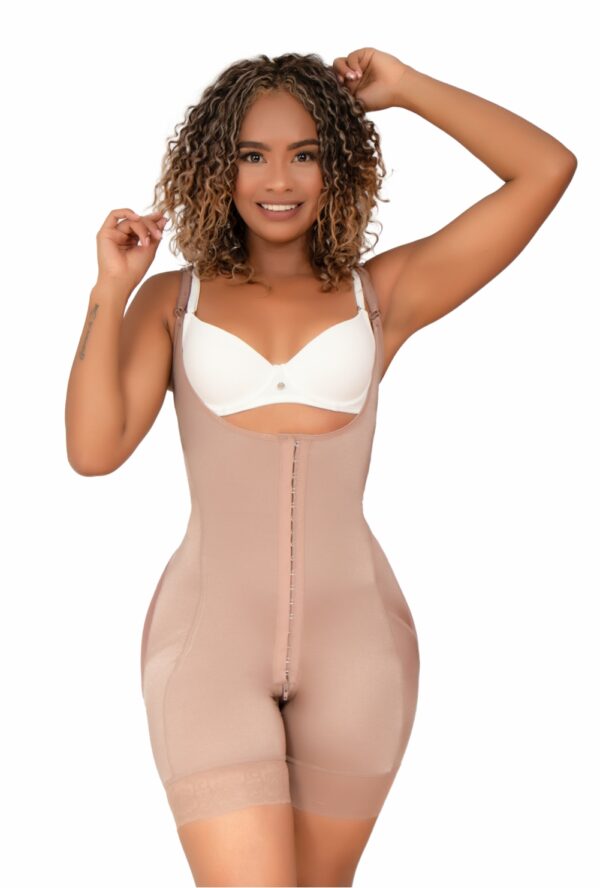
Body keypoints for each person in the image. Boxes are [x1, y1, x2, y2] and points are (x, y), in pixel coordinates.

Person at [65, 48, 577, 888]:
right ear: (218, 166)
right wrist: (109, 289)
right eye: (253, 154)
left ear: (336, 163)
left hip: (359, 650)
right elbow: (93, 452)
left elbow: (546, 169)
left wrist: (407, 90)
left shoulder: (382, 295)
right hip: (209, 648)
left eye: (305, 153)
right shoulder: (174, 301)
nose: (280, 179)